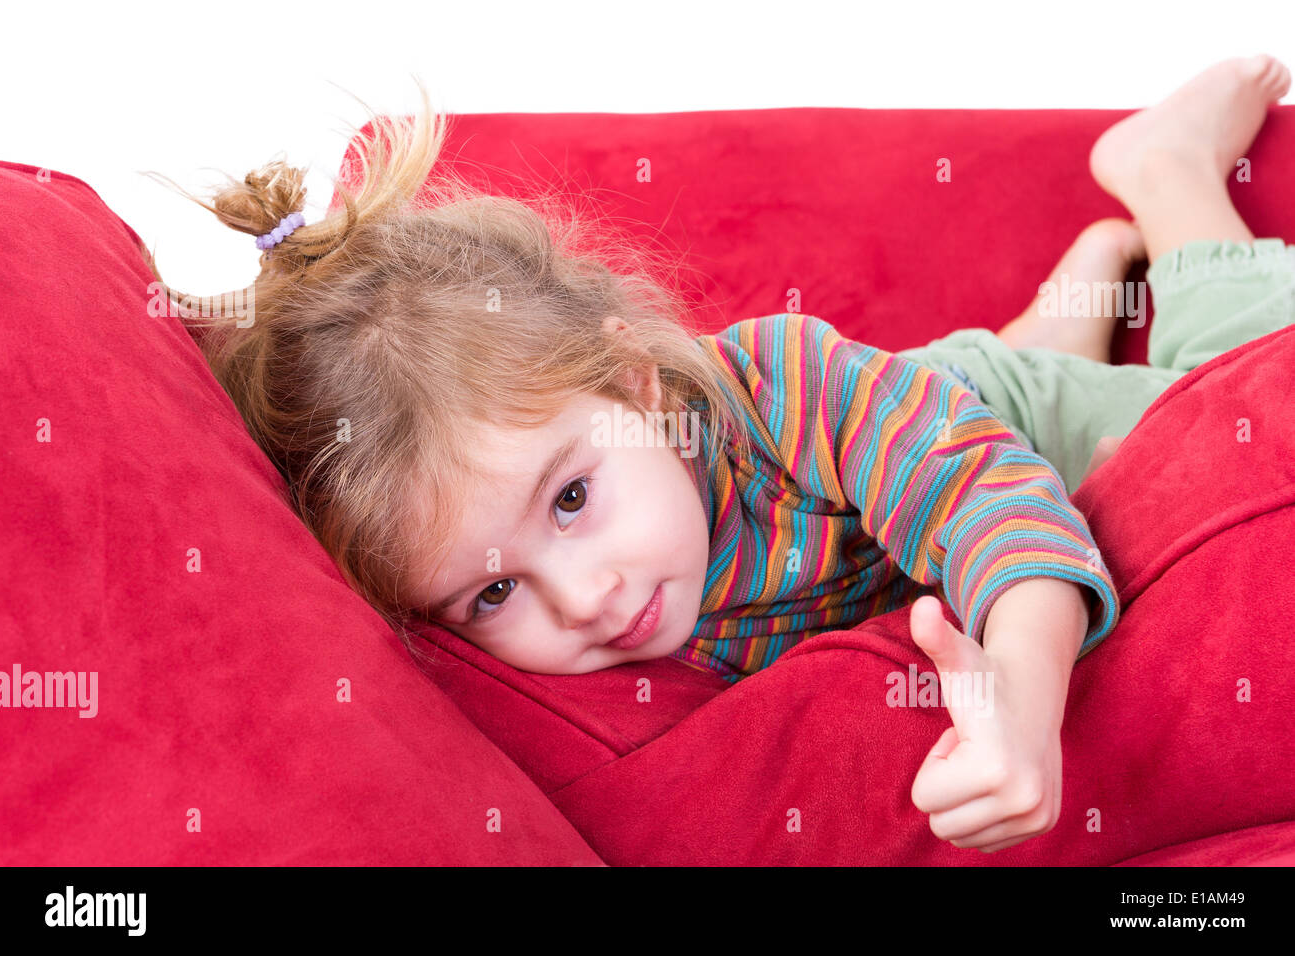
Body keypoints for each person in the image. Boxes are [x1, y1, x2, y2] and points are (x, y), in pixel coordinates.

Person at [144, 55, 1290, 854]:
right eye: (493, 590)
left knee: (1238, 367)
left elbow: (986, 499)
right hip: (902, 417)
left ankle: (1163, 176)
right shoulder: (606, 535)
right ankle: (1075, 287)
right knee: (941, 384)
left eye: (575, 496)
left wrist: (1026, 697)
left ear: (640, 382)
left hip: (990, 424)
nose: (585, 597)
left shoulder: (786, 386)